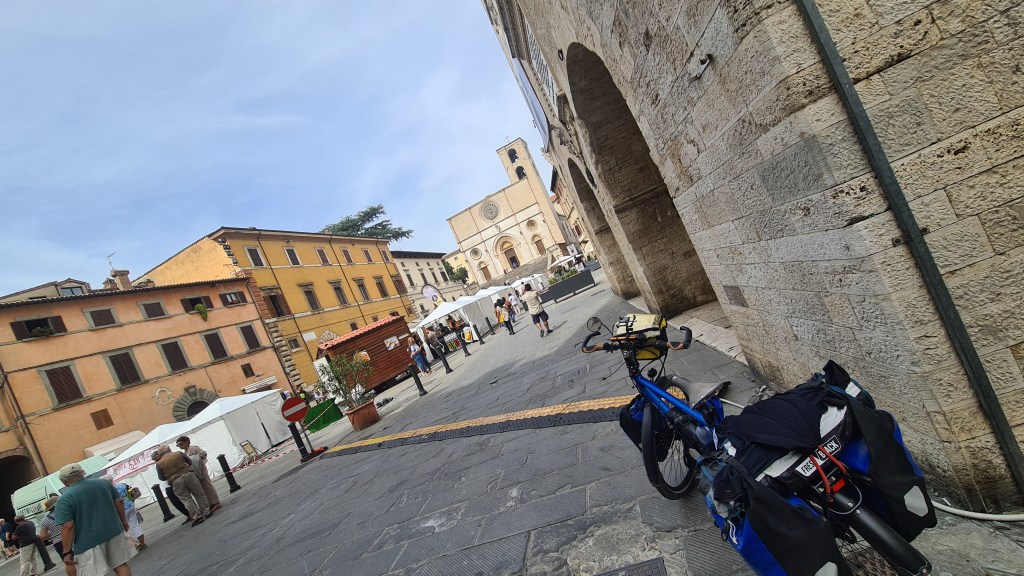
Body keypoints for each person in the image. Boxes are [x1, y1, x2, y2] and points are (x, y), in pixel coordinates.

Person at [54, 462, 135, 576]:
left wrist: (67, 551)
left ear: (63, 480)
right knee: (120, 564)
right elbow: (119, 502)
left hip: (87, 541)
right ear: (82, 473)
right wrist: (123, 521)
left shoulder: (64, 500)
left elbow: (68, 526)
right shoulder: (103, 483)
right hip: (113, 530)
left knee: (92, 573)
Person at [153, 444, 210, 527]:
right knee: (198, 494)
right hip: (189, 474)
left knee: (186, 499)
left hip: (175, 480)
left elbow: (161, 478)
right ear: (168, 449)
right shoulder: (178, 453)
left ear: (160, 453)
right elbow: (190, 462)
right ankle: (206, 511)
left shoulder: (159, 463)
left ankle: (197, 516)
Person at [175, 436, 221, 513]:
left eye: (181, 444)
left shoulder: (193, 448)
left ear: (186, 442)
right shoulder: (185, 452)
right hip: (195, 470)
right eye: (178, 445)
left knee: (207, 485)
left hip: (201, 468)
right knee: (202, 488)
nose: (180, 446)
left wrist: (194, 458)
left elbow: (204, 453)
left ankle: (215, 502)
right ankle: (211, 503)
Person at [101, 477, 145, 551]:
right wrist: (131, 501)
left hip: (120, 511)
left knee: (122, 529)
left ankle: (134, 544)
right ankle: (143, 543)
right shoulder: (122, 485)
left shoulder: (108, 491)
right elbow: (132, 493)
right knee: (135, 525)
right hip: (130, 506)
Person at [39, 495, 65, 560]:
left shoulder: (45, 520)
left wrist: (53, 532)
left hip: (58, 543)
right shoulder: (66, 511)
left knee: (68, 562)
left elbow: (42, 536)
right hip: (72, 537)